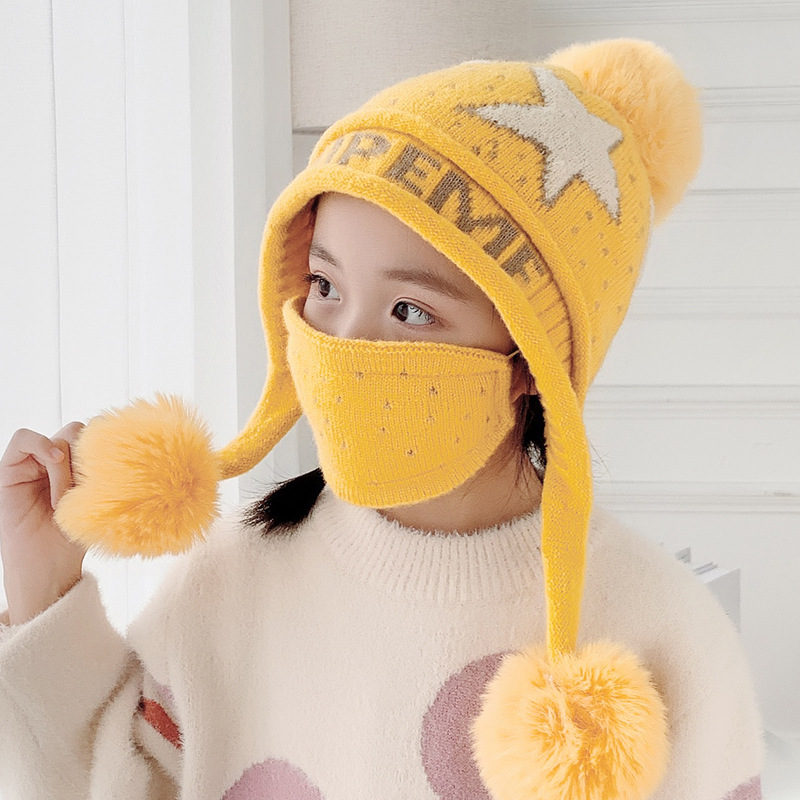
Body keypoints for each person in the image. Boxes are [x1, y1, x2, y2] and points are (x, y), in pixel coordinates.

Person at [0, 39, 764, 800]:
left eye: (410, 310)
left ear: (532, 361)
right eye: (325, 286)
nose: (344, 344)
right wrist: (43, 590)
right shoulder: (229, 584)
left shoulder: (658, 633)